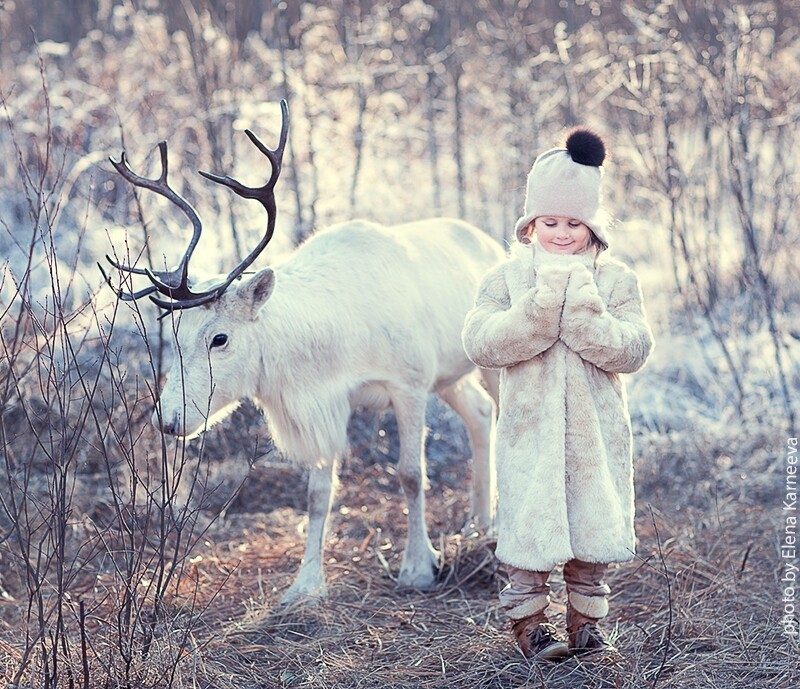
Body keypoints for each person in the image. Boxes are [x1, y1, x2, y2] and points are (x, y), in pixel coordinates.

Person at [461, 129, 654, 661]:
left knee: (591, 535)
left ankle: (588, 626)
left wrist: (587, 311)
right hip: (529, 433)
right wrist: (541, 307)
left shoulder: (615, 281)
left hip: (595, 435)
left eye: (574, 223)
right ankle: (528, 626)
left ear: (591, 225)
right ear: (529, 225)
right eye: (550, 222)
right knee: (529, 532)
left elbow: (633, 350)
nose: (562, 233)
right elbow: (481, 342)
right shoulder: (505, 279)